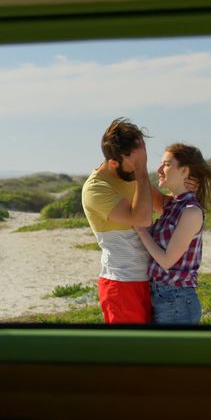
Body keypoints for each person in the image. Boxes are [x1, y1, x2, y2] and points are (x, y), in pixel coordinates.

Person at [134, 143, 211, 325]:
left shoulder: (191, 212)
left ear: (185, 171)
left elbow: (168, 261)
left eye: (167, 164)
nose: (160, 169)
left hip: (177, 300)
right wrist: (135, 165)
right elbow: (144, 187)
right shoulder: (172, 205)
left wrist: (140, 230)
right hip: (163, 296)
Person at [81, 118, 161, 324]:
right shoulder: (95, 188)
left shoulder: (131, 176)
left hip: (151, 280)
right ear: (113, 162)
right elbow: (141, 218)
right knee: (130, 353)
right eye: (134, 162)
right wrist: (142, 169)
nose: (137, 167)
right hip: (122, 285)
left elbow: (164, 205)